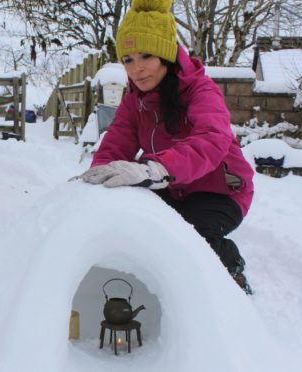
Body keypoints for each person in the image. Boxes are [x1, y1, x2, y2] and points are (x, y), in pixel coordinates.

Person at [74, 0, 255, 294]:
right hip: (171, 187)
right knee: (143, 229)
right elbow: (116, 142)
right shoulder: (136, 100)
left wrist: (158, 168)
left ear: (167, 55)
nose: (137, 68)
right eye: (128, 59)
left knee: (195, 235)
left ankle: (230, 268)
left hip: (221, 191)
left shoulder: (201, 90)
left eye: (146, 55)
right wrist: (97, 179)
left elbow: (212, 139)